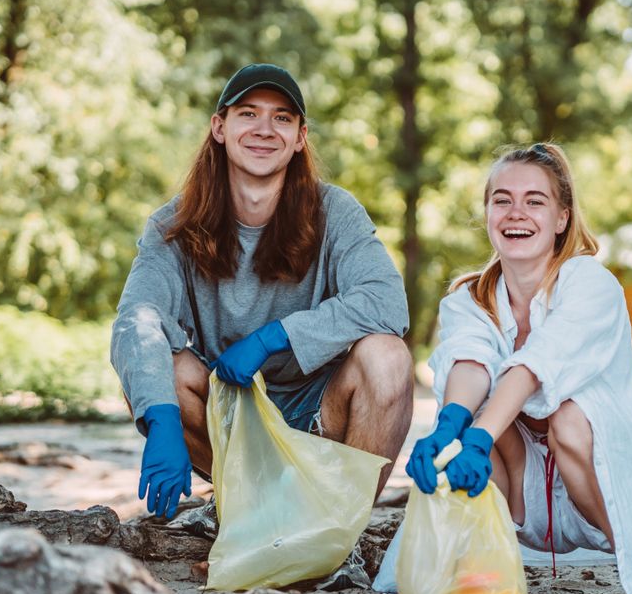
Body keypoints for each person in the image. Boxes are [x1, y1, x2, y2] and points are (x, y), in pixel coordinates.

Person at [403, 143, 632, 594]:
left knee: (567, 417)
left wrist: (480, 436)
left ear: (562, 218)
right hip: (520, 482)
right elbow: (469, 359)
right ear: (486, 213)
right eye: (501, 200)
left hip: (597, 479)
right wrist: (448, 430)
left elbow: (540, 362)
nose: (515, 213)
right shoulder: (467, 297)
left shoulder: (590, 282)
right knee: (464, 418)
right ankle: (480, 566)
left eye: (534, 201)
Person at [110, 63, 414, 527]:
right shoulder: (174, 224)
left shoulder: (335, 211)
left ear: (300, 137)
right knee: (157, 364)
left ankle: (337, 531)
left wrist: (276, 336)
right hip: (229, 413)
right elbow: (137, 318)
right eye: (248, 114)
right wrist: (162, 420)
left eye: (282, 118)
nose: (264, 129)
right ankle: (245, 506)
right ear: (220, 127)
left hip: (320, 414)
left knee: (388, 356)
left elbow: (387, 301)